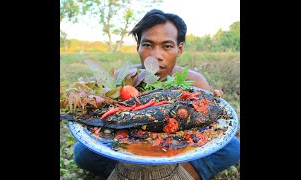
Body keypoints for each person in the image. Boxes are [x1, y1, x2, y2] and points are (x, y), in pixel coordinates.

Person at [73, 9, 240, 180]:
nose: (156, 55)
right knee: (82, 153)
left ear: (179, 49)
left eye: (167, 46)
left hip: (179, 149)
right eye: (147, 45)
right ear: (138, 47)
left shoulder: (195, 82)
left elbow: (208, 128)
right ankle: (136, 170)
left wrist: (214, 105)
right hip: (130, 146)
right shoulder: (124, 78)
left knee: (233, 148)